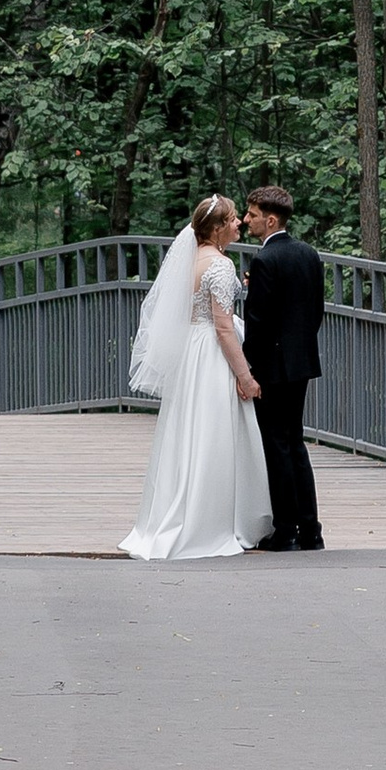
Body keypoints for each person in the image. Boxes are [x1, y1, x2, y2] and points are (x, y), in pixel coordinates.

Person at [121, 194, 271, 561]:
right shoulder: (220, 266)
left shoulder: (192, 261)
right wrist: (245, 375)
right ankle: (211, 522)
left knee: (190, 432)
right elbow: (222, 327)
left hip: (192, 353)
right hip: (212, 354)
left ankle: (179, 512)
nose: (239, 224)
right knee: (215, 433)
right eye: (234, 219)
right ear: (218, 229)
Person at [240, 183, 326, 551]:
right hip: (302, 361)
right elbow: (314, 310)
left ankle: (285, 531)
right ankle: (311, 531)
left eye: (252, 215)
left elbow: (258, 321)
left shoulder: (264, 261)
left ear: (270, 219)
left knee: (276, 446)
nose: (246, 221)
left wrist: (248, 369)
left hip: (271, 366)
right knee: (295, 443)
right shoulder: (309, 254)